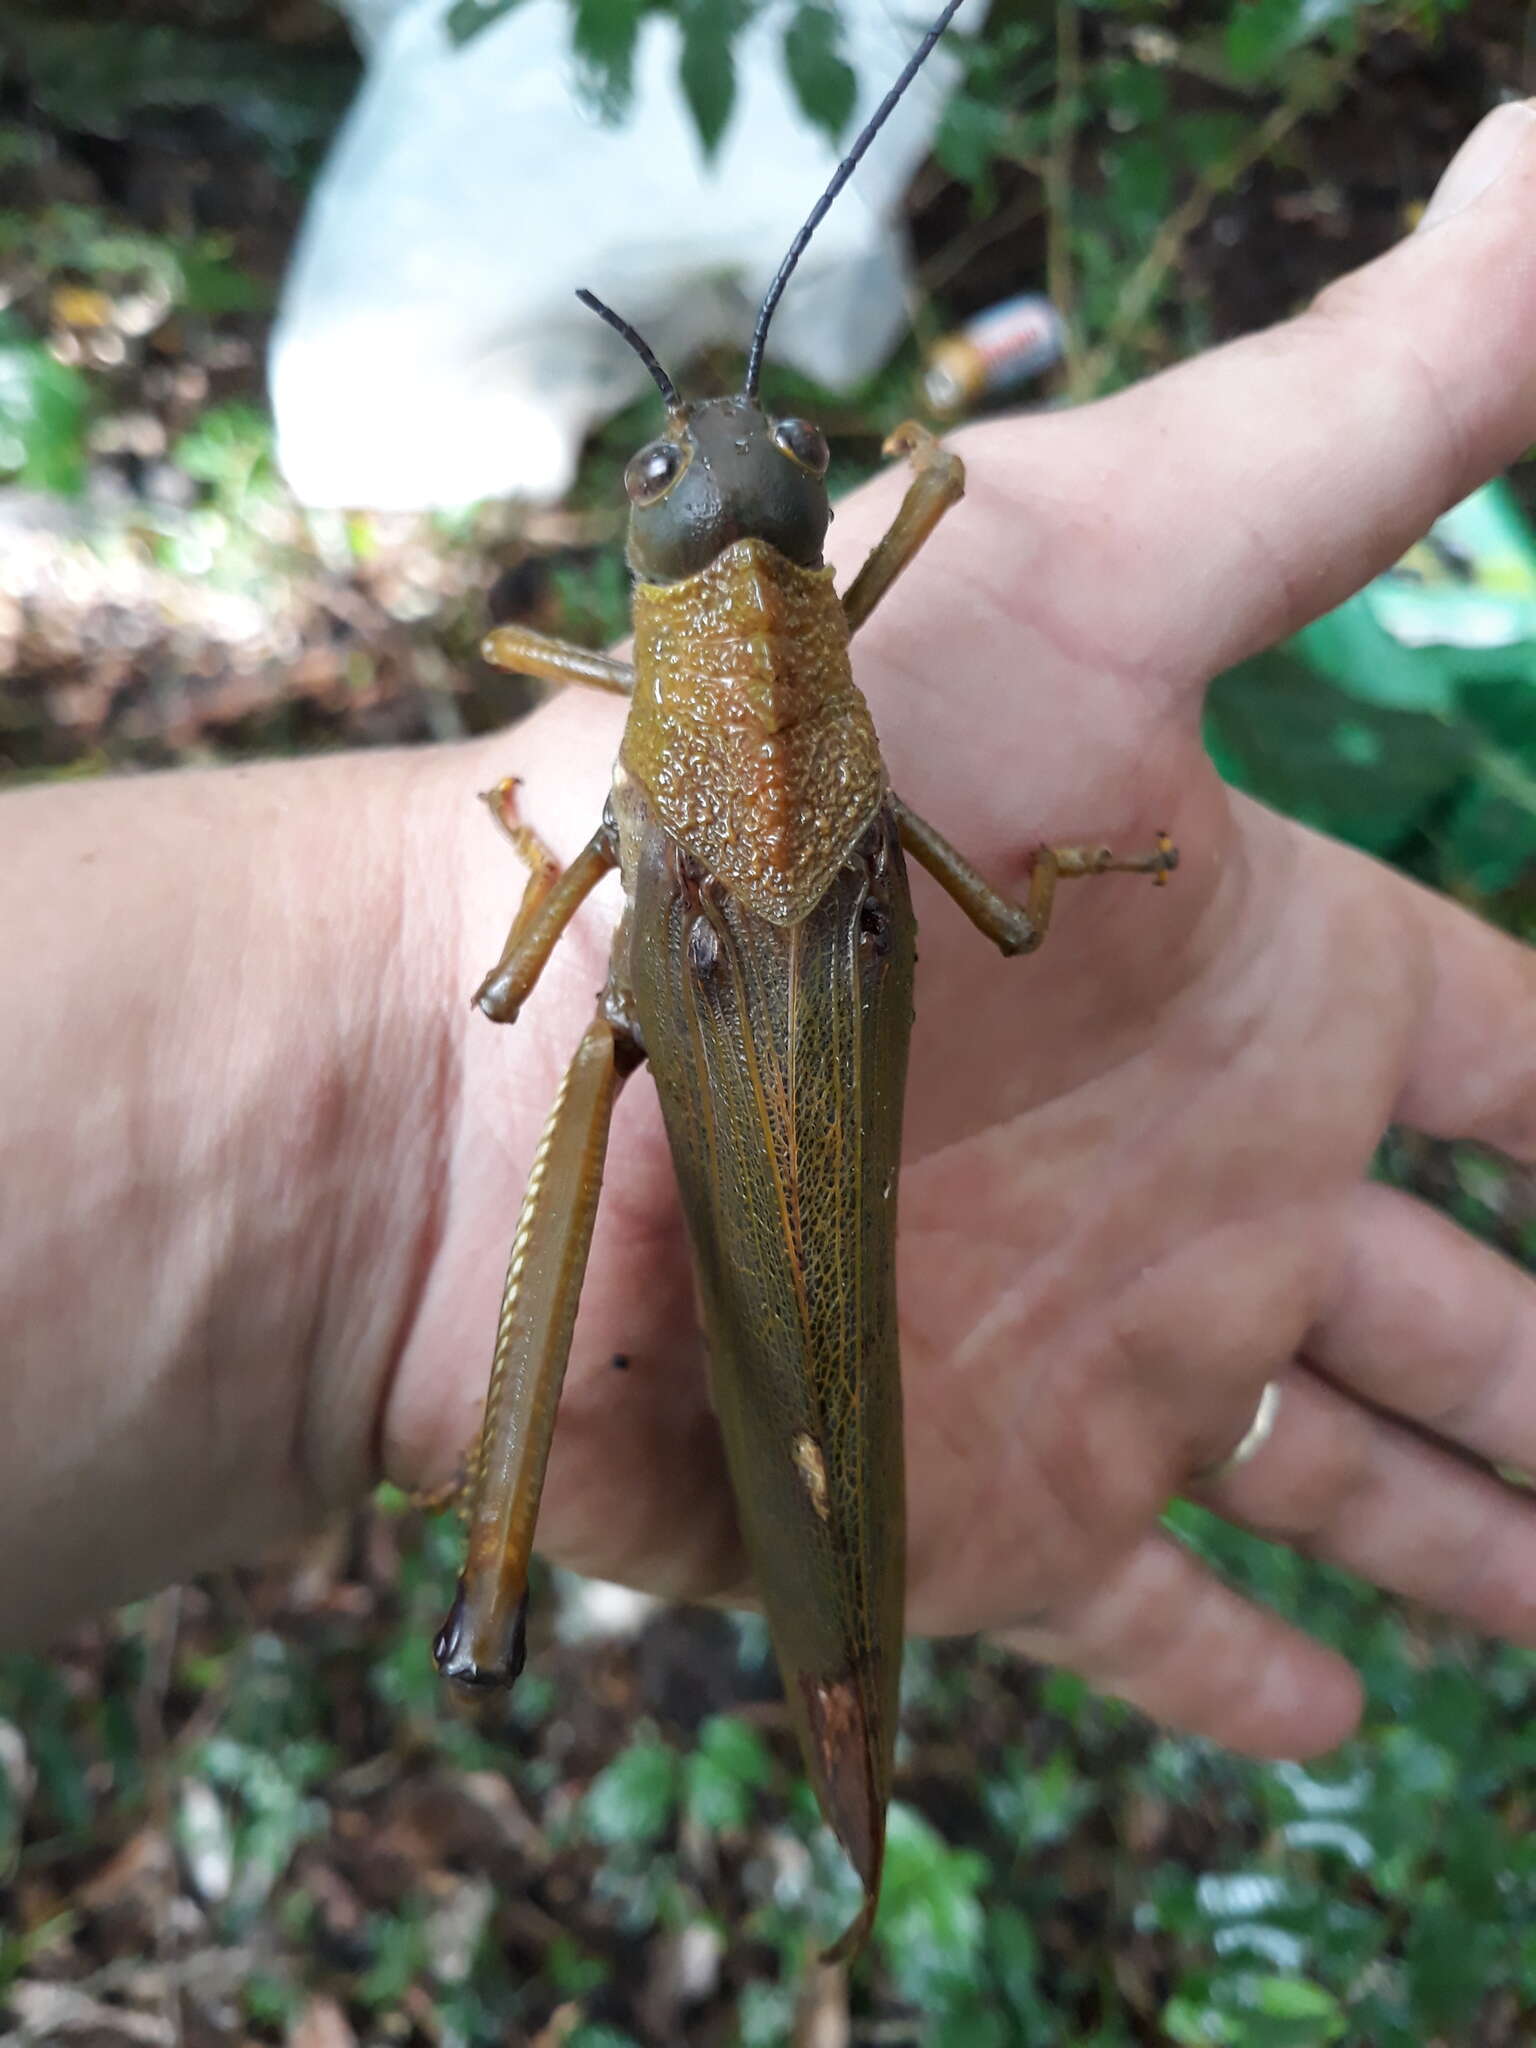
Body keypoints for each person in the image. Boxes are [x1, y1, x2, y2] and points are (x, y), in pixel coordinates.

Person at [4, 104, 1533, 1763]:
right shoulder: (836, 610)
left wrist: (542, 855)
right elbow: (1009, 902)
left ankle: (757, 1662)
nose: (732, 476)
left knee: (578, 1024)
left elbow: (510, 979)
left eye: (757, 469)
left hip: (741, 952)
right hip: (812, 935)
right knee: (617, 1071)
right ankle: (776, 1663)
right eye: (689, 473)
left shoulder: (626, 711)